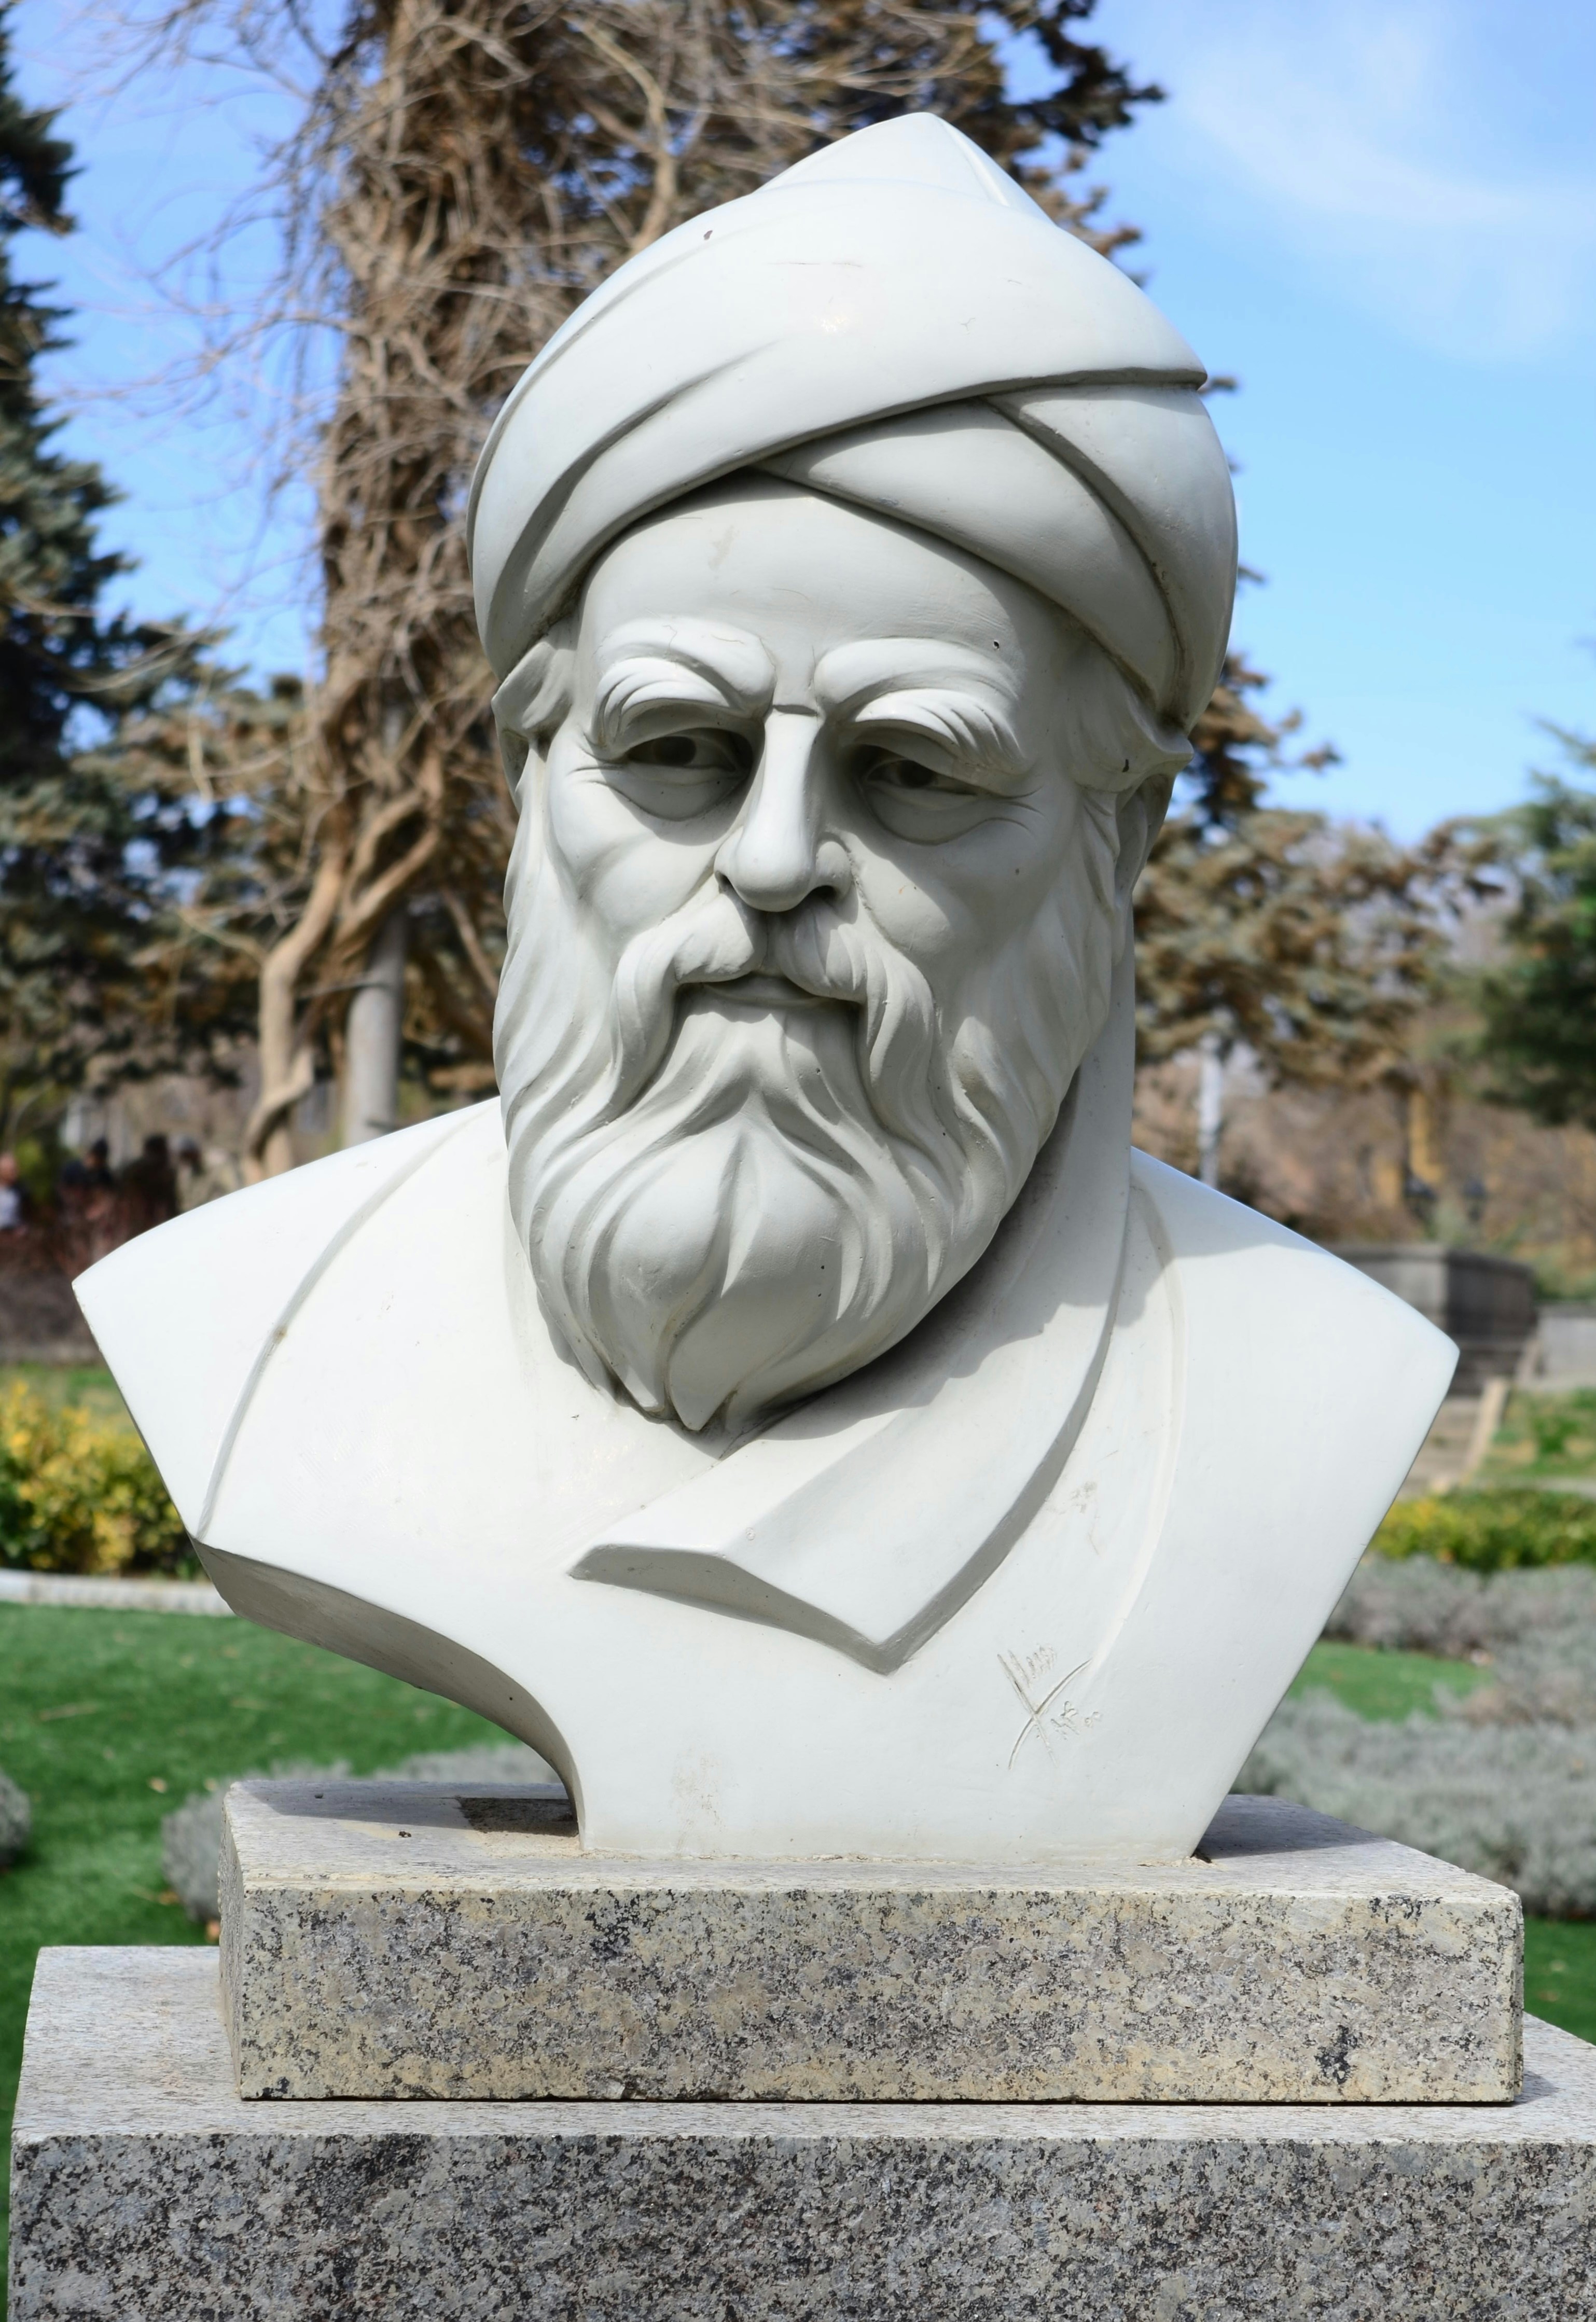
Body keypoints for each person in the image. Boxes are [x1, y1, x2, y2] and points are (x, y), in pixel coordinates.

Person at [75, 117, 1455, 1866]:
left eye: (911, 771)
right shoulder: (251, 1333)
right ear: (530, 772)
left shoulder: (1287, 1387)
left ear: (1110, 844)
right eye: (678, 748)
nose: (775, 858)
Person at [0, 1151, 29, 1233]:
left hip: (15, 1237)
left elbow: (28, 1218)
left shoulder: (23, 1191)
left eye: (16, 1169)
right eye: (11, 1170)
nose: (15, 1173)